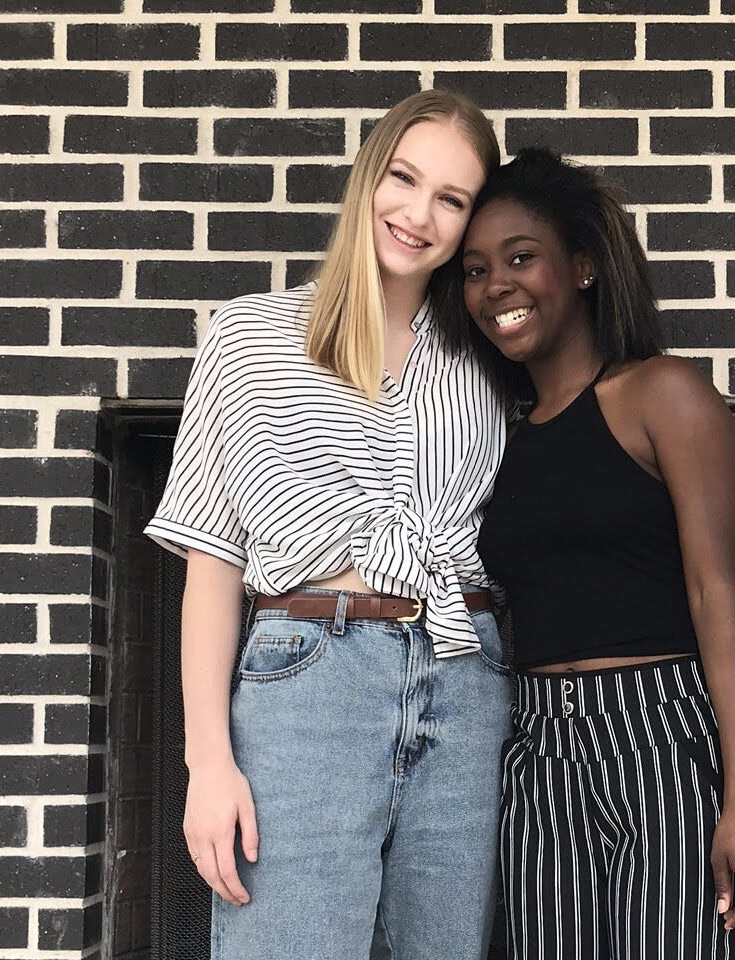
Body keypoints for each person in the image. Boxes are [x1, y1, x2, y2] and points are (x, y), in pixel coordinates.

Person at [143, 90, 512, 960]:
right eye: (405, 178)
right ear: (367, 176)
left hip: (464, 673)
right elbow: (211, 562)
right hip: (309, 677)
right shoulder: (248, 336)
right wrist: (208, 764)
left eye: (452, 200)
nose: (419, 214)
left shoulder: (486, 359)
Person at [444, 147, 735, 960]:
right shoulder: (501, 438)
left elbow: (717, 596)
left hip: (658, 734)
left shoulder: (662, 394)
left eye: (522, 258)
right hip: (536, 750)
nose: (496, 286)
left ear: (584, 266)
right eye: (477, 268)